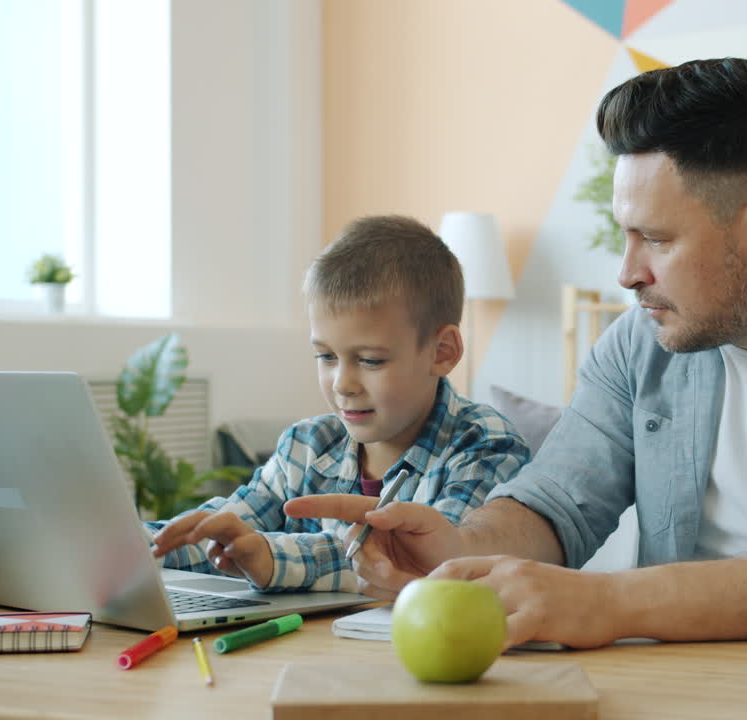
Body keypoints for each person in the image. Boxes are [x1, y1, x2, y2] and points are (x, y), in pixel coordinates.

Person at [286, 58, 747, 648]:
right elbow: (556, 504)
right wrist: (460, 545)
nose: (627, 271)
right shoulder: (640, 342)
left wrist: (610, 602)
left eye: (659, 239)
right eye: (625, 235)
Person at [148, 215, 530, 593]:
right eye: (326, 356)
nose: (343, 384)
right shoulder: (306, 444)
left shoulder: (485, 445)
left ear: (442, 352)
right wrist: (141, 545)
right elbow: (231, 524)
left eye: (370, 360)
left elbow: (428, 563)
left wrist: (270, 557)